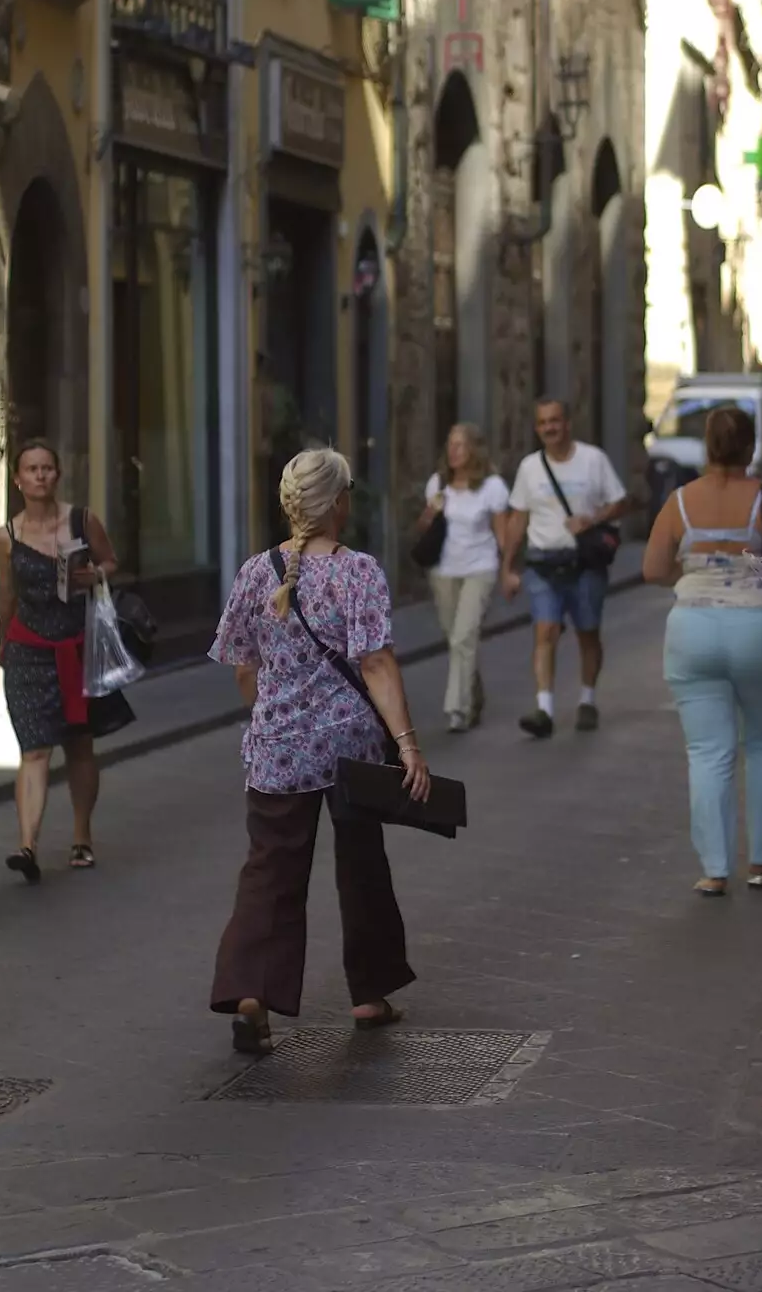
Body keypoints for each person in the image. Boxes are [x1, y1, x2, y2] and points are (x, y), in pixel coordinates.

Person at [209, 448, 429, 1054]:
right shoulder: (357, 571)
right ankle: (369, 993)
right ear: (336, 503)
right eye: (349, 490)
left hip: (278, 748)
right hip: (349, 745)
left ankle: (253, 996)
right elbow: (376, 663)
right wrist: (407, 744)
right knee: (362, 866)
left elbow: (243, 668)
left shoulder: (257, 572)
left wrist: (278, 714)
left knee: (270, 872)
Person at [643, 406, 762, 896]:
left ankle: (714, 870)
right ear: (751, 447)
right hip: (759, 627)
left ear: (706, 447)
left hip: (692, 627)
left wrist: (694, 577)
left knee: (706, 751)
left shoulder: (679, 502)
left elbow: (653, 568)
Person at [0, 439, 130, 883]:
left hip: (76, 648)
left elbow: (111, 561)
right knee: (33, 750)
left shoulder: (81, 519)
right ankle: (27, 845)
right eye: (30, 469)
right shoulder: (7, 537)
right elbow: (6, 594)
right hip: (28, 651)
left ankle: (81, 836)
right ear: (17, 479)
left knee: (78, 746)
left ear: (57, 475)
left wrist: (96, 574)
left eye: (47, 468)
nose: (39, 475)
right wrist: (2, 642)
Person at [501, 399, 628, 737]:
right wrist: (508, 566)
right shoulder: (530, 467)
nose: (550, 428)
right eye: (543, 423)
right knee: (545, 631)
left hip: (584, 564)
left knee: (588, 633)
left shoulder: (593, 460)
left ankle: (587, 699)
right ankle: (544, 709)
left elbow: (620, 502)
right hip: (543, 564)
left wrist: (592, 519)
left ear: (568, 423)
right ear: (537, 428)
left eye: (555, 420)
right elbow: (518, 518)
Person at [418, 424, 509, 733]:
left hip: (479, 569)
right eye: (451, 445)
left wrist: (508, 570)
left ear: (475, 450)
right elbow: (425, 527)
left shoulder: (492, 487)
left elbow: (502, 533)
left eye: (461, 445)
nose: (454, 451)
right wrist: (431, 514)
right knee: (456, 640)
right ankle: (474, 693)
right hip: (443, 571)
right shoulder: (437, 484)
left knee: (463, 637)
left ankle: (458, 709)